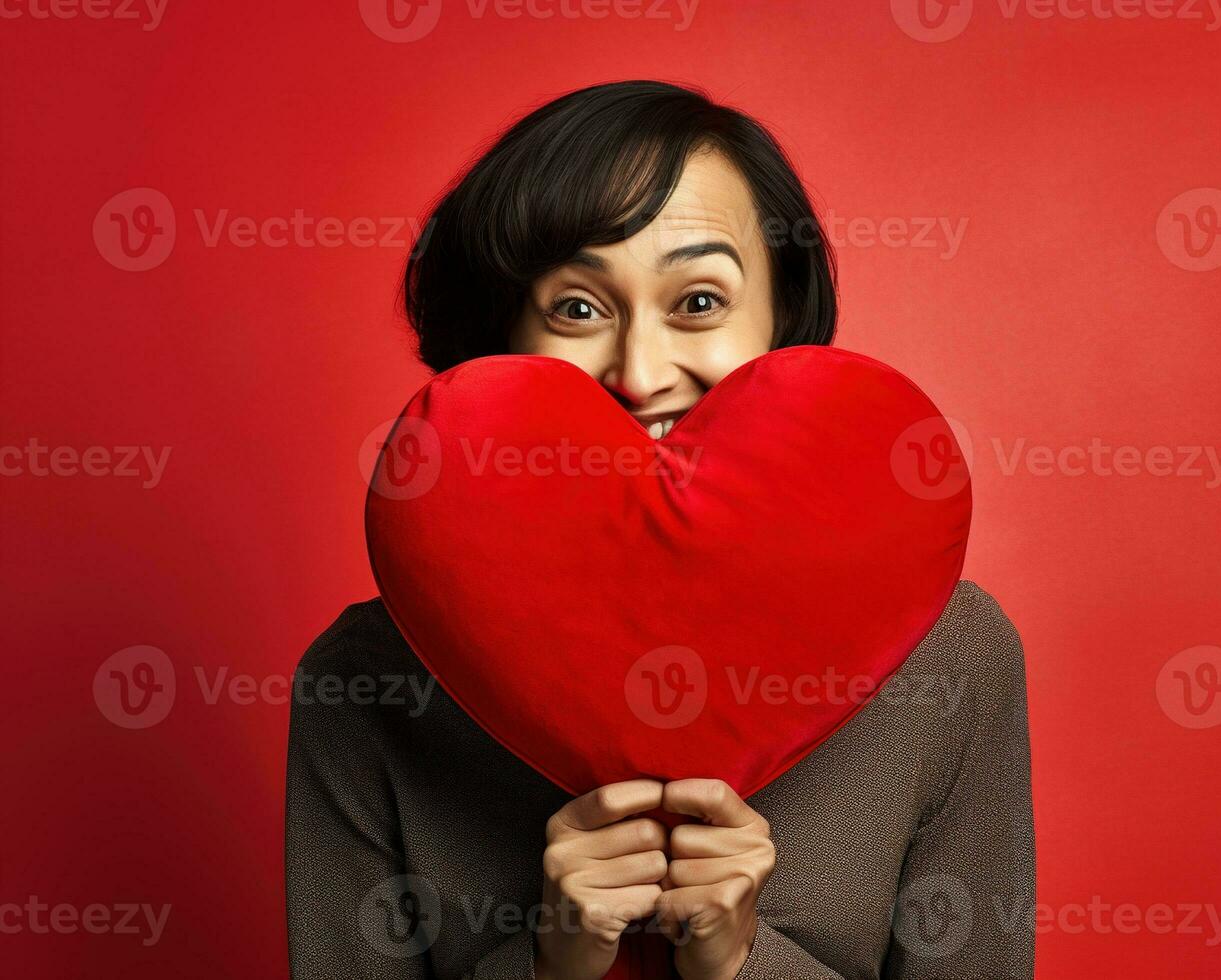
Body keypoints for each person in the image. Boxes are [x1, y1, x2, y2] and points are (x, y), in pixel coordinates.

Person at [286, 79, 1035, 980]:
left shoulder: (952, 659)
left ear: (783, 324)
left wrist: (742, 961)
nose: (639, 374)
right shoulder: (364, 682)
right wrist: (550, 960)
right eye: (577, 308)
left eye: (700, 302)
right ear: (501, 340)